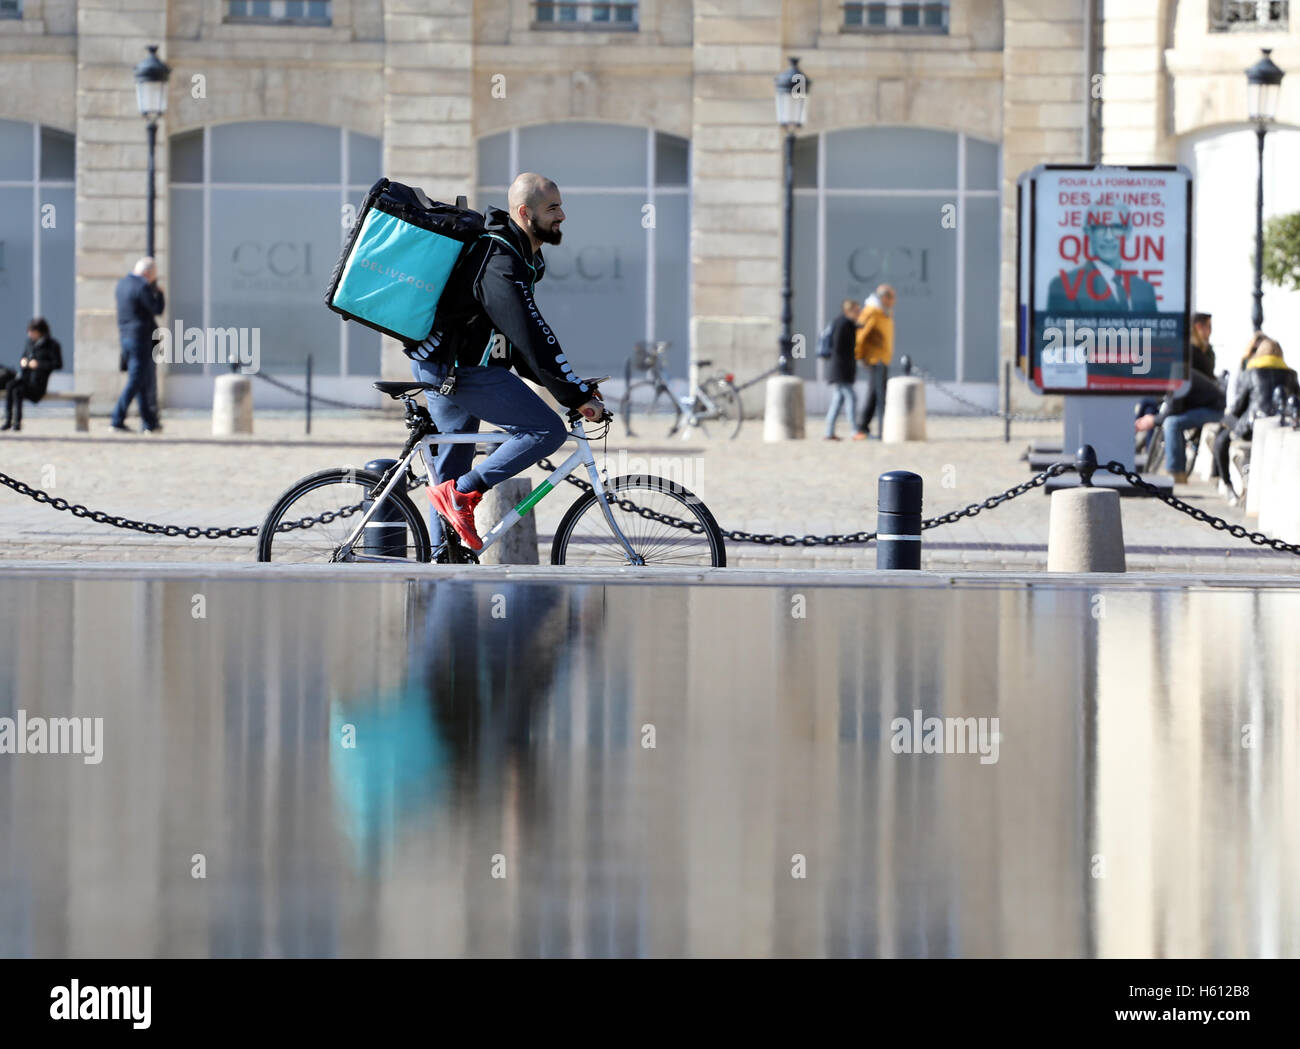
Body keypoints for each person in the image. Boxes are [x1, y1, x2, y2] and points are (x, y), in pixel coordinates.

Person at [406, 172, 607, 551]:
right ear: (524, 212)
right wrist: (572, 393)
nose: (562, 215)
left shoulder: (522, 257)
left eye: (561, 205)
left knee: (447, 473)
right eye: (553, 208)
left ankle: (442, 570)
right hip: (459, 370)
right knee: (546, 431)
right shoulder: (499, 258)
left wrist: (570, 385)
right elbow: (529, 333)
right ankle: (463, 494)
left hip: (448, 363)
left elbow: (517, 344)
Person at [1213, 337, 1299, 502]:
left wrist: (1227, 416)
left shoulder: (1250, 373)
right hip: (1280, 427)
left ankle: (1226, 483)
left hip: (1250, 429)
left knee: (1222, 435)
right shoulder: (1291, 374)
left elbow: (1238, 407)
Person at [1045, 210, 1158, 314]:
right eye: (1100, 227)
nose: (1108, 237)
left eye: (1117, 227)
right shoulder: (1064, 285)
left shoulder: (1145, 289)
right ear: (1088, 232)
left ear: (1127, 232)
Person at [111, 256, 165, 433]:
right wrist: (160, 293)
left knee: (140, 379)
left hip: (125, 337)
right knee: (136, 379)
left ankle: (149, 423)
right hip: (141, 339)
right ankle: (117, 418)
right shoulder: (142, 286)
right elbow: (156, 309)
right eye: (153, 276)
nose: (152, 280)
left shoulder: (121, 285)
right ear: (147, 273)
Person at [1156, 367, 1225, 484]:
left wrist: (1153, 420)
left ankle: (1175, 473)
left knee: (1171, 423)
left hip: (1216, 411)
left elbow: (1174, 408)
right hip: (1206, 407)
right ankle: (1178, 471)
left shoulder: (1177, 373)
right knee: (1172, 422)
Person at [1, 317, 63, 432]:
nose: (30, 334)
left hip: (38, 383)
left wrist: (38, 364)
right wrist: (23, 362)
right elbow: (24, 356)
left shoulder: (53, 345)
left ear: (41, 331)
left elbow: (57, 364)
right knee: (10, 385)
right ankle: (8, 421)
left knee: (17, 391)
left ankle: (17, 423)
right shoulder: (29, 343)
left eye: (32, 332)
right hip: (25, 378)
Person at [852, 284, 896, 440]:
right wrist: (859, 356)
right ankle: (882, 429)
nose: (894, 301)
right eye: (892, 297)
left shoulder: (884, 313)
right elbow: (860, 336)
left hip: (882, 358)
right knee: (880, 394)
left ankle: (863, 426)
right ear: (884, 297)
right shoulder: (872, 312)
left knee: (874, 394)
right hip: (875, 359)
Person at [822, 299, 860, 440]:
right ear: (848, 311)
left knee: (837, 401)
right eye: (856, 311)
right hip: (840, 369)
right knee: (851, 398)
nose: (859, 313)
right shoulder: (843, 324)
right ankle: (854, 430)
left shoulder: (848, 324)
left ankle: (829, 432)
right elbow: (838, 349)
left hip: (841, 369)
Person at [1189, 312, 1215, 378]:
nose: (1210, 331)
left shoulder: (1206, 350)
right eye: (1209, 326)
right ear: (1199, 327)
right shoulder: (1190, 353)